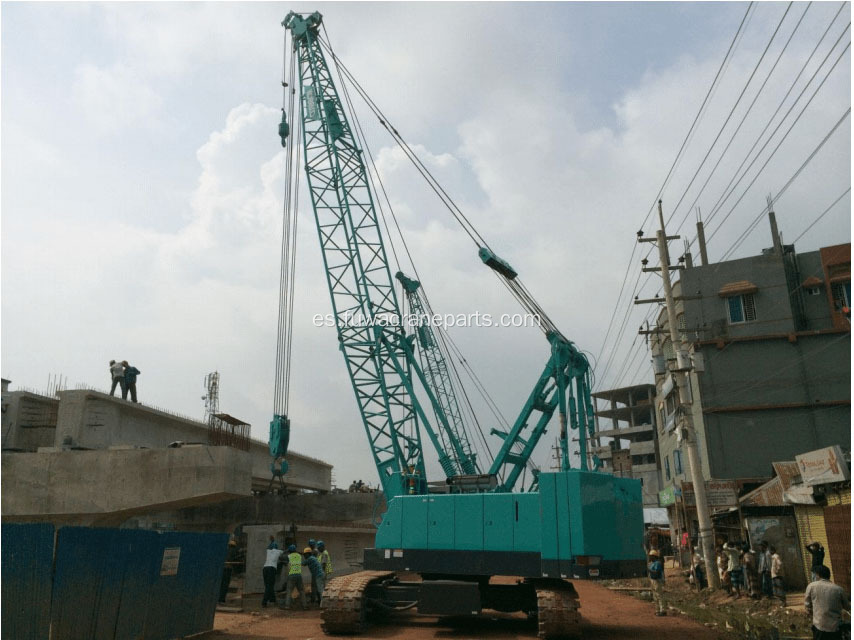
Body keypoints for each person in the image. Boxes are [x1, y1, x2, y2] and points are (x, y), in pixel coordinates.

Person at [805, 565, 850, 640]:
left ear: (818, 575)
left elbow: (807, 606)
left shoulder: (811, 586)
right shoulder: (839, 589)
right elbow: (847, 607)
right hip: (835, 628)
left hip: (819, 627)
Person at [284, 544, 307, 610]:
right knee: (301, 591)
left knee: (289, 591)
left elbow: (281, 557)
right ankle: (305, 606)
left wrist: (286, 551)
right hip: (299, 575)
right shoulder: (299, 556)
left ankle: (287, 606)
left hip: (291, 575)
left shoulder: (288, 556)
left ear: (290, 550)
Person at [262, 543, 284, 608]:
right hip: (271, 569)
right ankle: (264, 602)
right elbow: (284, 552)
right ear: (277, 548)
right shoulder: (278, 551)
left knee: (267, 585)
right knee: (270, 586)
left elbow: (268, 546)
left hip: (265, 568)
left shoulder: (268, 551)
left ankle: (272, 599)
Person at [648, 549, 666, 616]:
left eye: (651, 556)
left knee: (659, 595)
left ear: (654, 556)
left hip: (657, 580)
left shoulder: (657, 563)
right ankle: (657, 610)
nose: (650, 557)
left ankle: (663, 610)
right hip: (653, 580)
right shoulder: (651, 564)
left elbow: (656, 572)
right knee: (655, 596)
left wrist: (649, 570)